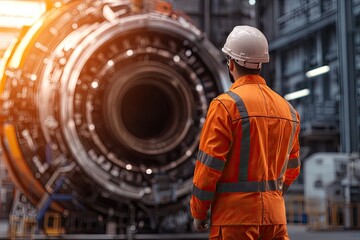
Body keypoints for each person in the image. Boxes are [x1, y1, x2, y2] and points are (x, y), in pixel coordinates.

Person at [190, 25, 301, 239]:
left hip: (234, 220)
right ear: (261, 64)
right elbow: (293, 168)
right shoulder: (288, 110)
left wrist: (199, 212)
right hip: (275, 220)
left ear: (231, 63)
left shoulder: (225, 106)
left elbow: (208, 168)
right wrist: (272, 197)